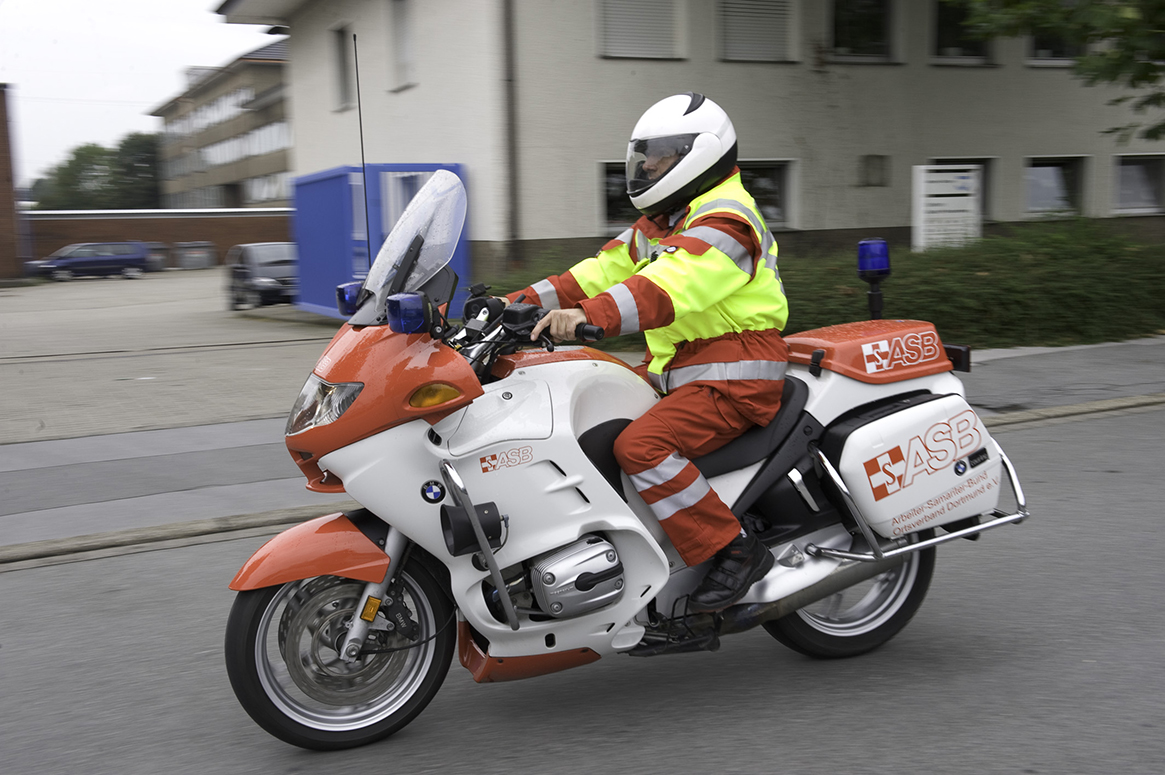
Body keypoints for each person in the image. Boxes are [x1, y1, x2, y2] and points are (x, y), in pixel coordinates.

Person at [515, 92, 789, 612]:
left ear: (700, 155)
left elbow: (666, 287)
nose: (647, 165)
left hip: (734, 374)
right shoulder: (664, 223)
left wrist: (588, 317)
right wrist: (511, 304)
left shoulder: (727, 220)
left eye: (660, 154)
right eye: (645, 154)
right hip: (680, 370)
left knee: (641, 446)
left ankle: (735, 551)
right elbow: (595, 274)